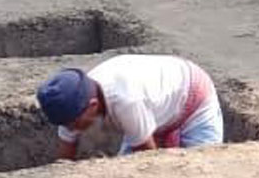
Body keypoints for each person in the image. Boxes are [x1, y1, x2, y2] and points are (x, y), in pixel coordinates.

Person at [38, 56, 223, 158]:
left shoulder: (126, 101)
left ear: (92, 105)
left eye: (75, 124)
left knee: (202, 171)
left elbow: (149, 161)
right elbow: (65, 157)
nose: (72, 129)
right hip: (154, 105)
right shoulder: (72, 101)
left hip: (192, 96)